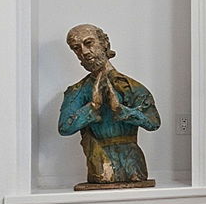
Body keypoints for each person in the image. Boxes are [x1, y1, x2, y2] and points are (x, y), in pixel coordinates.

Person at [58, 23, 162, 189]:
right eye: (76, 48)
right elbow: (64, 127)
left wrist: (122, 111)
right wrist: (92, 107)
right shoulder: (77, 91)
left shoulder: (131, 87)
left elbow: (154, 122)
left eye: (89, 43)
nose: (84, 52)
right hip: (99, 164)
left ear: (104, 43)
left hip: (133, 165)